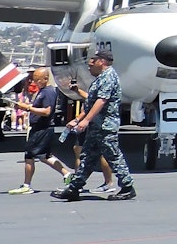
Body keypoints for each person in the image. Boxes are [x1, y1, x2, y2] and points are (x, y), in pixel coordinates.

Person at [52, 51, 135, 201]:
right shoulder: (100, 79)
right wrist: (79, 115)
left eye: (93, 60)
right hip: (97, 126)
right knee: (87, 157)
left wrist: (85, 121)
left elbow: (101, 101)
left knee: (113, 156)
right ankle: (74, 188)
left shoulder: (108, 76)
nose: (89, 64)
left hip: (105, 125)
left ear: (101, 62)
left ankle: (127, 187)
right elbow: (91, 101)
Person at [7, 69, 71, 195]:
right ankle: (67, 174)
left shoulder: (48, 92)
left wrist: (28, 108)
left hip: (42, 128)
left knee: (29, 155)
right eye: (34, 80)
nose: (35, 82)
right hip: (40, 128)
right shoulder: (43, 91)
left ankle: (26, 185)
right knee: (44, 156)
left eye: (38, 80)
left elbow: (47, 111)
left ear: (45, 79)